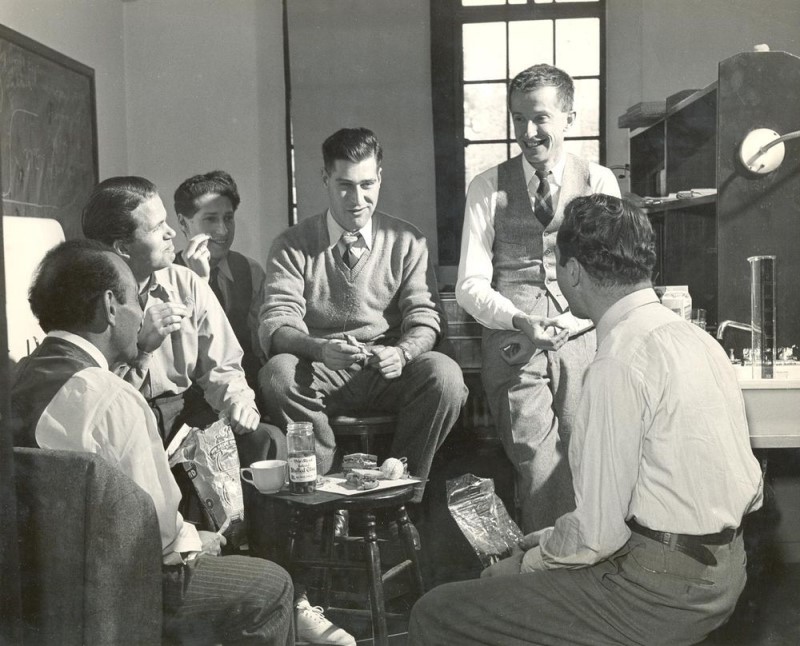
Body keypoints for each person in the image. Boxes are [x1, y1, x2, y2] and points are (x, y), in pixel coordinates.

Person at [408, 194, 764, 646]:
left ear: (573, 272)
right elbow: (732, 492)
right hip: (726, 570)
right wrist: (551, 535)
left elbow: (598, 536)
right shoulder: (697, 340)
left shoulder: (617, 363)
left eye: (558, 265)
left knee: (438, 611)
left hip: (662, 590)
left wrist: (524, 564)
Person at [11, 239, 357, 646]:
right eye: (134, 302)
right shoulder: (111, 398)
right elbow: (158, 532)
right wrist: (198, 541)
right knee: (271, 585)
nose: (141, 316)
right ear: (109, 306)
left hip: (28, 594)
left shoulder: (15, 379)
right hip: (115, 595)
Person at [258, 127, 467, 503]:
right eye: (344, 185)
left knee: (446, 376)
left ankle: (400, 485)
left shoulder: (408, 241)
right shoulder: (292, 244)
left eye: (367, 184)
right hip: (320, 370)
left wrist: (402, 353)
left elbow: (425, 318)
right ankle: (322, 486)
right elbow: (277, 324)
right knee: (277, 375)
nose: (358, 199)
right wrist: (319, 348)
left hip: (389, 369)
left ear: (380, 177)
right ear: (324, 179)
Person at [456, 63, 621, 532]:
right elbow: (470, 284)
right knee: (537, 462)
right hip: (514, 343)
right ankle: (549, 578)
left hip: (584, 340)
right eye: (518, 119)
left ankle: (585, 572)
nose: (528, 132)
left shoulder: (600, 183)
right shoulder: (487, 187)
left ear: (569, 117)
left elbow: (613, 275)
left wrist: (569, 323)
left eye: (541, 118)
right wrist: (521, 321)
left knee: (586, 457)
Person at [81, 176, 280, 537]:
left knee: (265, 439)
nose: (173, 233)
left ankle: (269, 568)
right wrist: (142, 347)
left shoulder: (186, 283)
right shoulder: (93, 302)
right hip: (128, 425)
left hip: (186, 415)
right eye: (158, 228)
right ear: (123, 246)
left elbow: (224, 366)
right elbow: (96, 404)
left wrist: (239, 400)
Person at [173, 170, 266, 391]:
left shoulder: (251, 271)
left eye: (228, 218)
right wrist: (198, 283)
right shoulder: (166, 277)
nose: (223, 230)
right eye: (210, 219)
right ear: (183, 223)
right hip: (188, 395)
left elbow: (262, 350)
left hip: (244, 393)